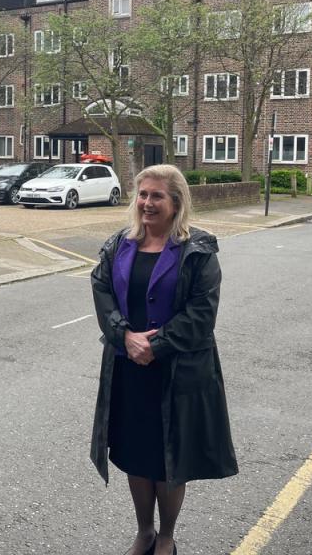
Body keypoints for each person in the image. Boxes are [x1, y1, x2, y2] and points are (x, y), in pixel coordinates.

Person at [91, 164, 238, 555]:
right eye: (142, 194)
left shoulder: (198, 250)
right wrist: (123, 334)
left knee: (169, 455)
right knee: (136, 454)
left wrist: (155, 346)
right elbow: (101, 288)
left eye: (157, 196)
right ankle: (144, 532)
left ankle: (167, 537)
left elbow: (202, 315)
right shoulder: (119, 244)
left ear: (176, 202)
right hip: (128, 368)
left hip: (178, 373)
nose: (147, 203)